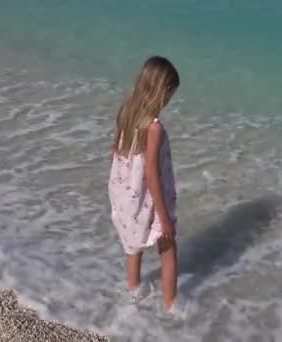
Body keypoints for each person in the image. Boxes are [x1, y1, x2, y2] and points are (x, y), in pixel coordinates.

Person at [108, 56, 180, 310]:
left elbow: (115, 150)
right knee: (168, 248)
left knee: (132, 246)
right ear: (164, 91)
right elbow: (151, 174)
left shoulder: (127, 112)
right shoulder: (154, 128)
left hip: (125, 193)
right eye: (170, 93)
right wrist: (164, 216)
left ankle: (134, 294)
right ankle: (171, 307)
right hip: (149, 196)